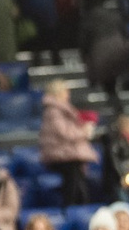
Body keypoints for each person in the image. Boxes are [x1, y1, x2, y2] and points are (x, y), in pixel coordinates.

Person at [38, 80, 100, 210]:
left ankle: (80, 207)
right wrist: (84, 132)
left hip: (67, 154)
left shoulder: (61, 110)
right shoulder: (53, 111)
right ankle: (71, 208)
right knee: (74, 174)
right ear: (58, 93)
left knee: (78, 177)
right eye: (66, 91)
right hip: (59, 155)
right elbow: (64, 132)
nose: (68, 94)